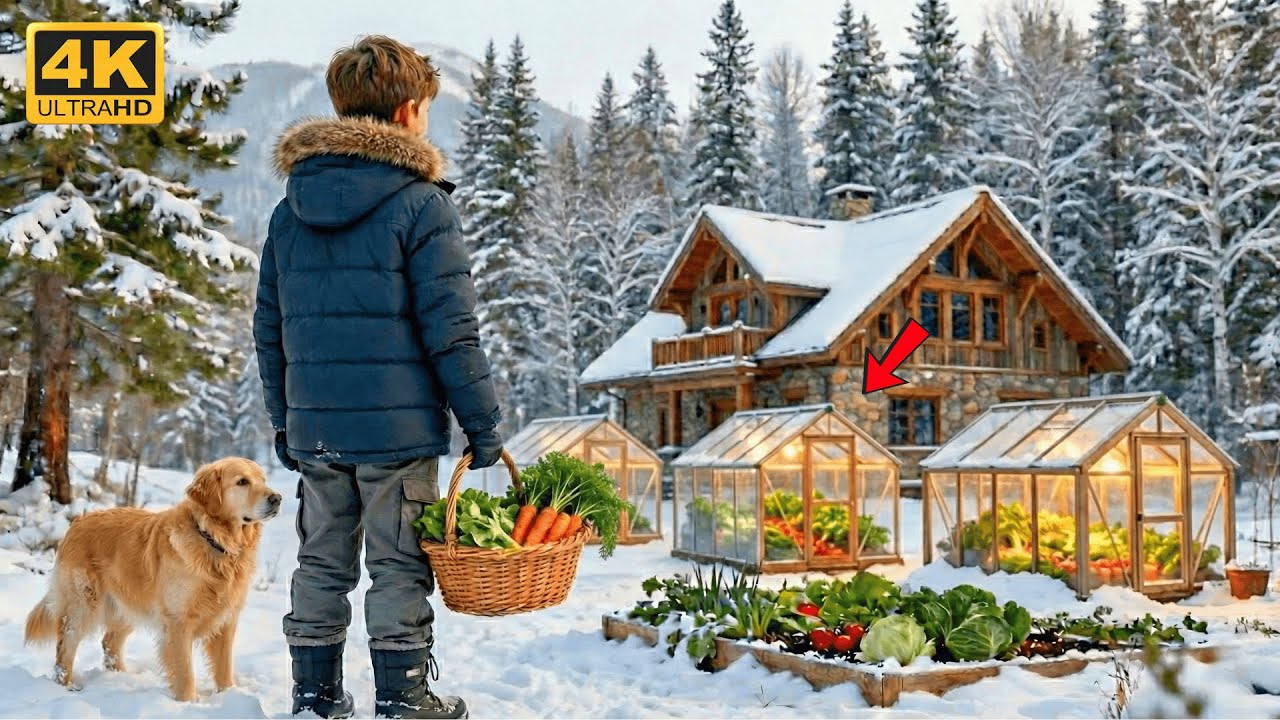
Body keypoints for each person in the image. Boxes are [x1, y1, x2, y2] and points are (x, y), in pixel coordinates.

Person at [253, 35, 503, 720]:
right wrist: (483, 424)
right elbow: (451, 331)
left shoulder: (287, 212)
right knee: (398, 564)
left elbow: (269, 330)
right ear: (407, 111)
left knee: (321, 562)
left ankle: (315, 698)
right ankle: (402, 699)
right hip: (398, 432)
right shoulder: (423, 206)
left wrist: (285, 420)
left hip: (318, 432)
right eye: (424, 108)